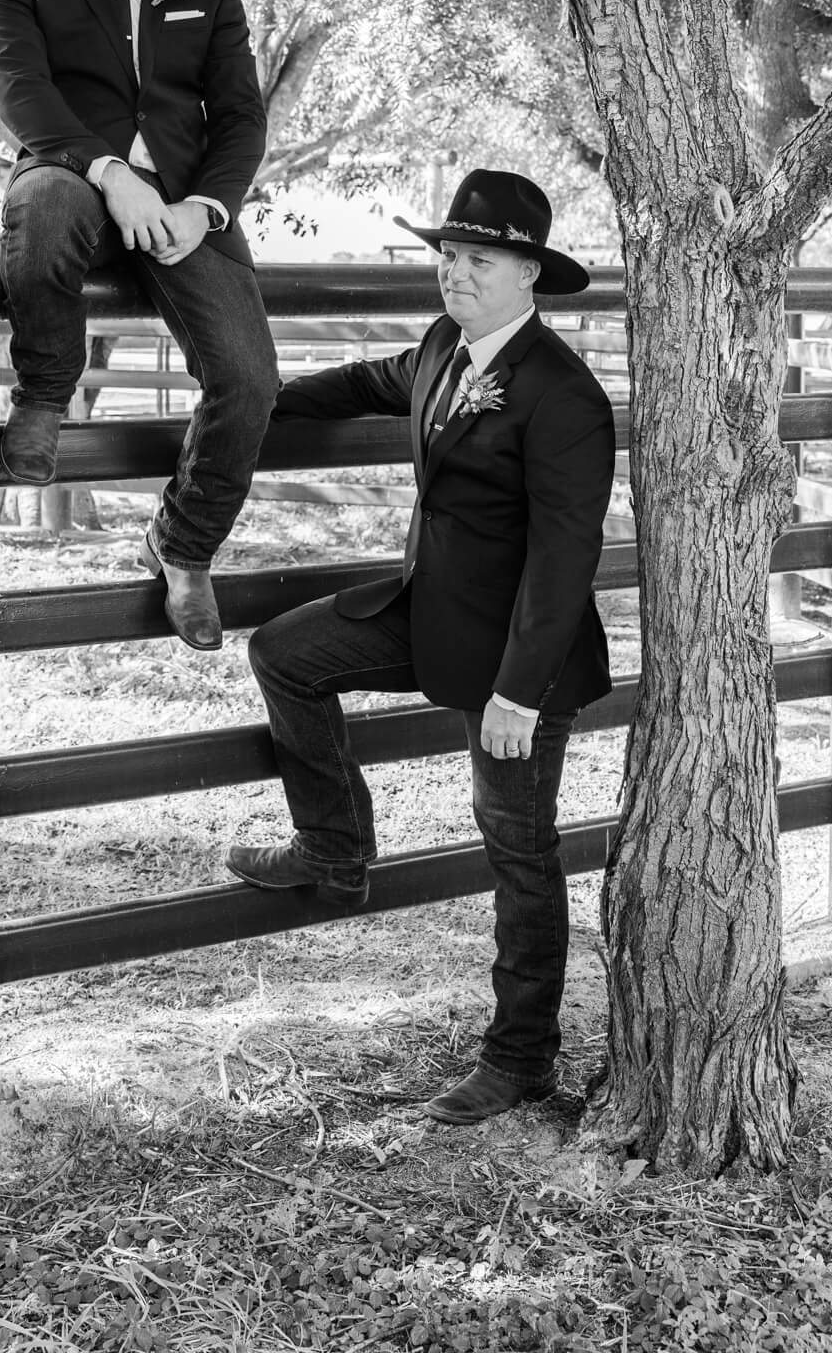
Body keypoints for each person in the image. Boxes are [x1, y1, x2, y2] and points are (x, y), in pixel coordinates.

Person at [227, 169, 615, 1123]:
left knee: (516, 848)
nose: (454, 274)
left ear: (527, 272)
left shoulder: (562, 397)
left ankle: (520, 1055)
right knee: (283, 654)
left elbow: (565, 562)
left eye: (476, 260)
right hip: (431, 611)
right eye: (446, 256)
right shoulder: (446, 344)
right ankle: (333, 848)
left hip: (525, 658)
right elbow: (372, 381)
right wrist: (261, 398)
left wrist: (518, 696)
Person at [0, 0, 277, 651]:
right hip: (75, 181)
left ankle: (183, 547)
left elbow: (238, 117)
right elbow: (22, 93)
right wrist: (109, 171)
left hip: (183, 213)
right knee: (38, 205)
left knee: (251, 380)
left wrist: (207, 212)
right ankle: (43, 393)